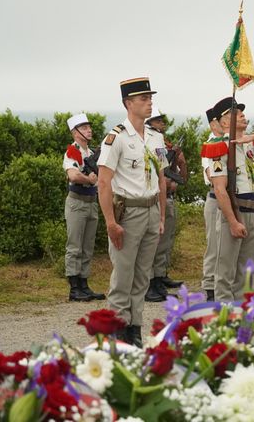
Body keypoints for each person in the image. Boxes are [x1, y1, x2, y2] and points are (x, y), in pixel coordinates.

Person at [97, 77, 167, 347]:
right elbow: (104, 182)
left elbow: (160, 178)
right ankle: (117, 333)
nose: (149, 103)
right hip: (128, 214)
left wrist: (160, 216)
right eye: (143, 99)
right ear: (128, 103)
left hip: (151, 211)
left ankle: (134, 329)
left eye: (150, 98)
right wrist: (110, 222)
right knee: (123, 278)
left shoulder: (155, 136)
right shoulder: (116, 138)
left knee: (142, 278)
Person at [207, 97, 254, 302]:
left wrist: (250, 137)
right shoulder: (217, 146)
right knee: (225, 270)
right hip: (234, 211)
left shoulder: (249, 145)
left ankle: (242, 311)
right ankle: (224, 315)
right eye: (235, 113)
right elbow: (220, 189)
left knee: (246, 270)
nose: (241, 114)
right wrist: (232, 221)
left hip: (253, 211)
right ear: (224, 122)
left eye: (241, 111)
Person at [145, 108, 186, 302]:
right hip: (153, 197)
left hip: (166, 196)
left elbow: (173, 173)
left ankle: (159, 278)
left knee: (163, 243)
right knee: (154, 244)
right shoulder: (150, 141)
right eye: (159, 121)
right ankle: (151, 282)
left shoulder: (162, 142)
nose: (162, 124)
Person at [63, 113, 104, 302]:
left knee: (87, 246)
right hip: (77, 201)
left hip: (91, 201)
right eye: (84, 127)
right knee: (75, 246)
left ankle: (84, 284)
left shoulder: (91, 152)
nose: (89, 130)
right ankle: (74, 288)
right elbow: (73, 175)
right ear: (75, 132)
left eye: (89, 127)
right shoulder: (73, 151)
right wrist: (89, 179)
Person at [200, 107, 224, 301]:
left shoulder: (226, 143)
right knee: (214, 245)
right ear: (213, 124)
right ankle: (210, 285)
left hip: (227, 199)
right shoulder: (210, 145)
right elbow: (212, 174)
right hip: (215, 199)